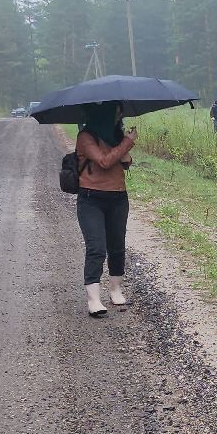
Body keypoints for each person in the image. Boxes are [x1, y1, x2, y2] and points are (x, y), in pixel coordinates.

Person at [75, 102, 137, 317]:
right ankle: (93, 299)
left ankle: (115, 289)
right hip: (91, 198)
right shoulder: (86, 137)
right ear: (105, 114)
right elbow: (104, 161)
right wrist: (128, 143)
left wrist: (123, 145)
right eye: (117, 113)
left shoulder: (115, 136)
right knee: (97, 247)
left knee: (117, 246)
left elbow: (126, 161)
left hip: (118, 197)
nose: (119, 117)